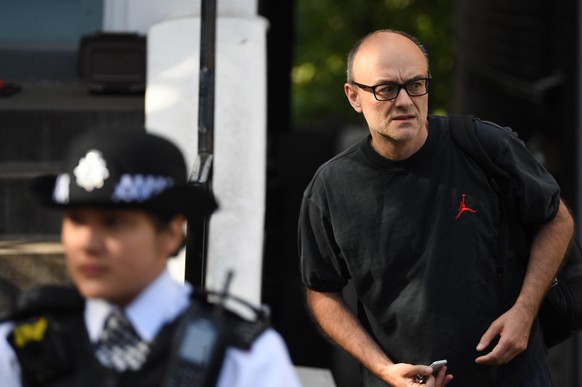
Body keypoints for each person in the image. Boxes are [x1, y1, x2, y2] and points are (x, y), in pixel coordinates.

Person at [298, 29, 574, 387]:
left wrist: (524, 311)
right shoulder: (331, 188)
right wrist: (382, 369)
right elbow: (321, 290)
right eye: (385, 89)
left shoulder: (485, 147)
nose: (404, 101)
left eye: (416, 84)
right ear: (354, 96)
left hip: (511, 376)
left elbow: (556, 219)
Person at [0, 129, 303, 387]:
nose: (87, 243)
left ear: (172, 234)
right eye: (77, 220)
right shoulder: (21, 345)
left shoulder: (241, 357)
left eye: (114, 223)